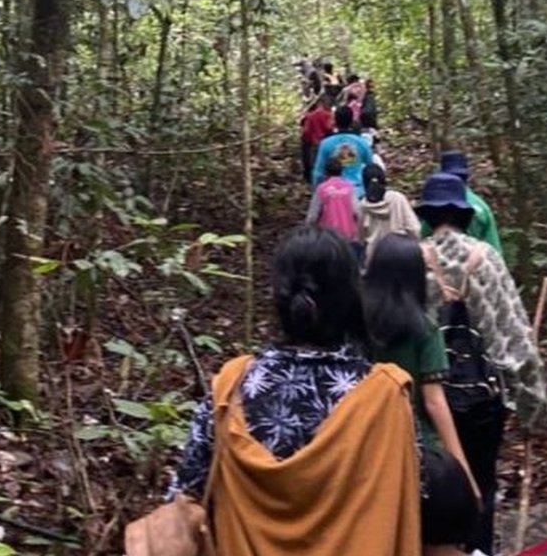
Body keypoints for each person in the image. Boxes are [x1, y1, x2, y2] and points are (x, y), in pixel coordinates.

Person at [170, 227, 421, 556]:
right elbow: (415, 493)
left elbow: (185, 493)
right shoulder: (385, 396)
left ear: (279, 299)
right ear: (350, 299)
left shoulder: (229, 390)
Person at [416, 172, 546, 555]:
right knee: (482, 482)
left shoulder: (411, 257)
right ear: (466, 214)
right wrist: (532, 405)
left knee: (431, 485)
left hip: (427, 396)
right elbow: (514, 334)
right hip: (481, 397)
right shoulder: (485, 258)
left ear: (428, 215)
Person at [363, 234, 481, 555]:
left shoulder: (356, 326)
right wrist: (461, 466)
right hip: (417, 452)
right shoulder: (424, 330)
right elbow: (434, 401)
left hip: (363, 445)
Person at [421, 150, 505, 262]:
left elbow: (424, 236)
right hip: (478, 266)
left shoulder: (435, 205)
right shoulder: (482, 207)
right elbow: (495, 249)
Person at [311, 105, 374, 197]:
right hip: (358, 191)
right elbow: (371, 167)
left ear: (335, 121)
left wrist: (316, 193)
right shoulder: (362, 142)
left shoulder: (326, 143)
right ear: (352, 121)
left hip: (333, 193)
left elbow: (318, 173)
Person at [359, 164, 419, 260]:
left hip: (375, 257)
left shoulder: (362, 206)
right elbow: (414, 228)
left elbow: (360, 237)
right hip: (401, 252)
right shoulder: (398, 198)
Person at [306, 157, 362, 261]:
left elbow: (313, 215)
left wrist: (309, 230)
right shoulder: (349, 187)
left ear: (326, 172)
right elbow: (357, 211)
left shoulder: (321, 189)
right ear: (342, 171)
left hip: (327, 236)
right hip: (348, 234)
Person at [299, 95, 334, 184]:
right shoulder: (328, 115)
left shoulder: (310, 116)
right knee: (328, 167)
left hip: (314, 144)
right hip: (327, 145)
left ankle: (316, 188)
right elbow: (330, 128)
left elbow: (306, 132)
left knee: (315, 167)